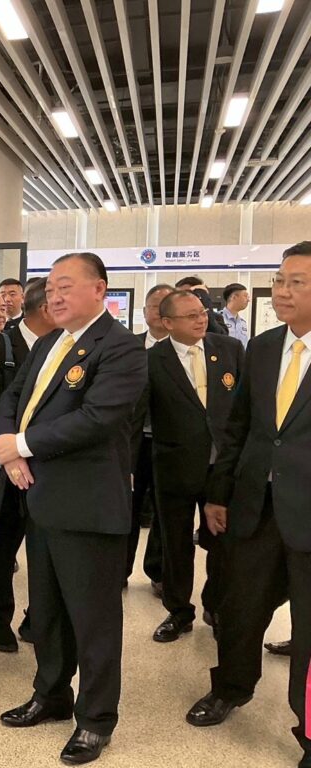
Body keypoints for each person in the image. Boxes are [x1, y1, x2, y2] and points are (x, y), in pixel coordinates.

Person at [0, 252, 146, 765]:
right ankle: (51, 694)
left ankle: (96, 719)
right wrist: (9, 451)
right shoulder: (49, 343)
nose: (54, 297)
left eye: (66, 286)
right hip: (41, 498)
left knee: (93, 620)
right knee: (48, 610)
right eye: (50, 288)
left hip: (88, 506)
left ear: (99, 290)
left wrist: (22, 445)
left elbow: (98, 418)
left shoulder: (120, 347)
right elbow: (13, 398)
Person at [186, 242, 311, 768]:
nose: (282, 291)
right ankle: (231, 688)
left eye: (297, 282)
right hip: (255, 504)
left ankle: (309, 728)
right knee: (239, 606)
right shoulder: (261, 348)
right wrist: (218, 493)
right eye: (280, 280)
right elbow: (237, 428)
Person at [147, 290, 243, 643]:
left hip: (224, 466)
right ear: (167, 322)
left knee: (223, 541)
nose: (201, 319)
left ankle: (216, 606)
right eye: (191, 316)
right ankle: (178, 611)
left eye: (202, 312)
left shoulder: (229, 349)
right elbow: (137, 415)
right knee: (175, 543)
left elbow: (244, 404)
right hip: (174, 465)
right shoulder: (152, 360)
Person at [0, 277, 56, 653]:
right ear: (44, 309)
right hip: (8, 466)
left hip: (50, 465)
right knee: (4, 542)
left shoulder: (63, 346)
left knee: (46, 547)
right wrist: (10, 453)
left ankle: (36, 618)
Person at [128, 284, 174, 595]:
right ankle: (118, 570)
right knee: (127, 506)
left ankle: (158, 571)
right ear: (144, 312)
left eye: (165, 305)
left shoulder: (186, 349)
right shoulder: (128, 346)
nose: (158, 312)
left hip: (169, 441)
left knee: (164, 509)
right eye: (153, 306)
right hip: (132, 441)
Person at [221, 283, 251, 347]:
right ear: (234, 297)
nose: (248, 300)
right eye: (245, 296)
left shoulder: (243, 323)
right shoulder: (218, 319)